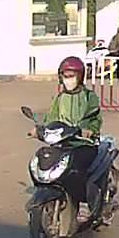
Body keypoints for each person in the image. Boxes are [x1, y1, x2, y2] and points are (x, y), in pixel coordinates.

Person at [30, 56, 109, 222]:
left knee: (78, 168)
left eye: (71, 76)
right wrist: (40, 130)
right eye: (65, 76)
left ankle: (85, 203)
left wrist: (89, 130)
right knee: (43, 160)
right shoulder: (60, 98)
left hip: (84, 143)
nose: (68, 80)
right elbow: (51, 118)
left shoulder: (89, 96)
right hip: (62, 142)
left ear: (80, 77)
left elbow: (94, 117)